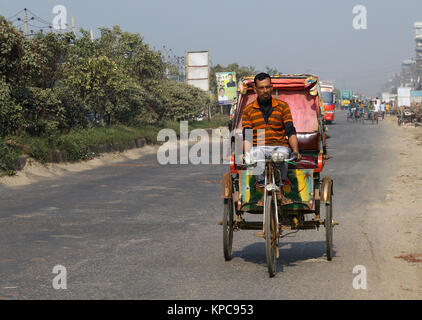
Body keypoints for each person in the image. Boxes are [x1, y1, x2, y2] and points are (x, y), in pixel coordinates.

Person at [242, 73, 302, 205]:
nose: (265, 91)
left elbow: (290, 130)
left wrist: (296, 150)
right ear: (256, 89)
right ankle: (263, 194)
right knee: (255, 154)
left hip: (279, 145)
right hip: (259, 147)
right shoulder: (248, 110)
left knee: (282, 155)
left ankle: (280, 191)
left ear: (272, 87)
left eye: (268, 87)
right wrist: (246, 153)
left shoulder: (283, 106)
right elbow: (247, 135)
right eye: (262, 88)